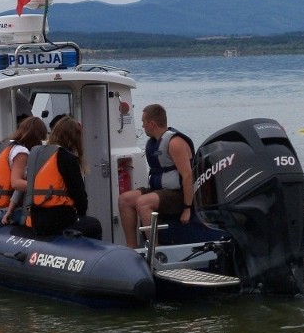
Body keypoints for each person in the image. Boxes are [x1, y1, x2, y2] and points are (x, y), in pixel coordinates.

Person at [118, 104, 194, 248]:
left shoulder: (175, 143)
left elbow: (188, 176)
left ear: (151, 124)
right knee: (125, 200)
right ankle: (132, 249)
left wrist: (187, 209)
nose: (142, 126)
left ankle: (155, 252)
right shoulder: (153, 143)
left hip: (178, 194)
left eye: (143, 122)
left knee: (143, 202)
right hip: (160, 191)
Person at [22, 116, 102, 239]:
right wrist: (82, 215)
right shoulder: (67, 158)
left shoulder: (38, 155)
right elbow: (80, 197)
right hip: (58, 221)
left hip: (37, 220)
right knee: (94, 225)